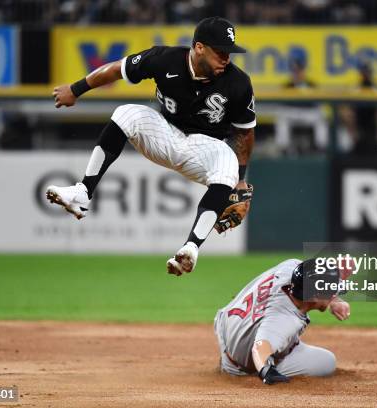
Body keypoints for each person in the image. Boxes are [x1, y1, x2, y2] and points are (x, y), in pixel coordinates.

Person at [48, 17, 256, 276]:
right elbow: (117, 69)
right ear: (200, 47)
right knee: (126, 113)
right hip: (164, 135)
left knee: (228, 163)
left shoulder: (239, 83)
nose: (226, 58)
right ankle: (83, 193)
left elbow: (244, 133)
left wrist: (240, 179)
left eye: (229, 52)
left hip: (206, 148)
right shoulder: (164, 59)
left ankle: (190, 248)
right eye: (221, 51)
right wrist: (76, 89)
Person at [214, 258, 351, 384]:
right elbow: (260, 348)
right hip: (239, 363)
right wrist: (266, 370)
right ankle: (239, 370)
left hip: (227, 323)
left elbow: (312, 274)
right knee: (327, 362)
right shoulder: (283, 319)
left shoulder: (291, 268)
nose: (334, 293)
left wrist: (333, 299)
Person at [338, 63, 377, 156]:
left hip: (372, 119)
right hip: (358, 118)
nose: (366, 75)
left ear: (371, 74)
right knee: (348, 114)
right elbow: (345, 107)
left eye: (367, 72)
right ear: (360, 74)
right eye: (364, 72)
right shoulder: (355, 88)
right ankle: (353, 145)